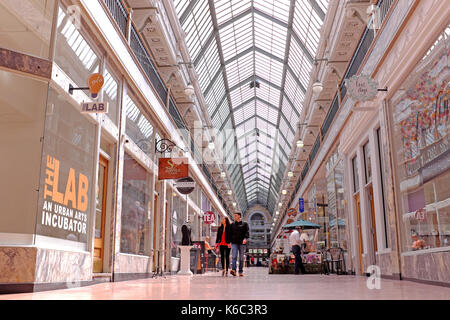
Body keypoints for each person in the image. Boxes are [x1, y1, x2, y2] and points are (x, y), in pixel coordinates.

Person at [229, 212, 249, 277]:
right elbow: (230, 234)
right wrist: (229, 242)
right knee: (234, 256)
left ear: (239, 216)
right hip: (234, 242)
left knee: (241, 258)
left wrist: (245, 239)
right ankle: (234, 270)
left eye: (235, 215)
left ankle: (240, 271)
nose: (234, 216)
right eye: (234, 215)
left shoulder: (245, 224)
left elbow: (247, 232)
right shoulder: (232, 224)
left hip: (242, 243)